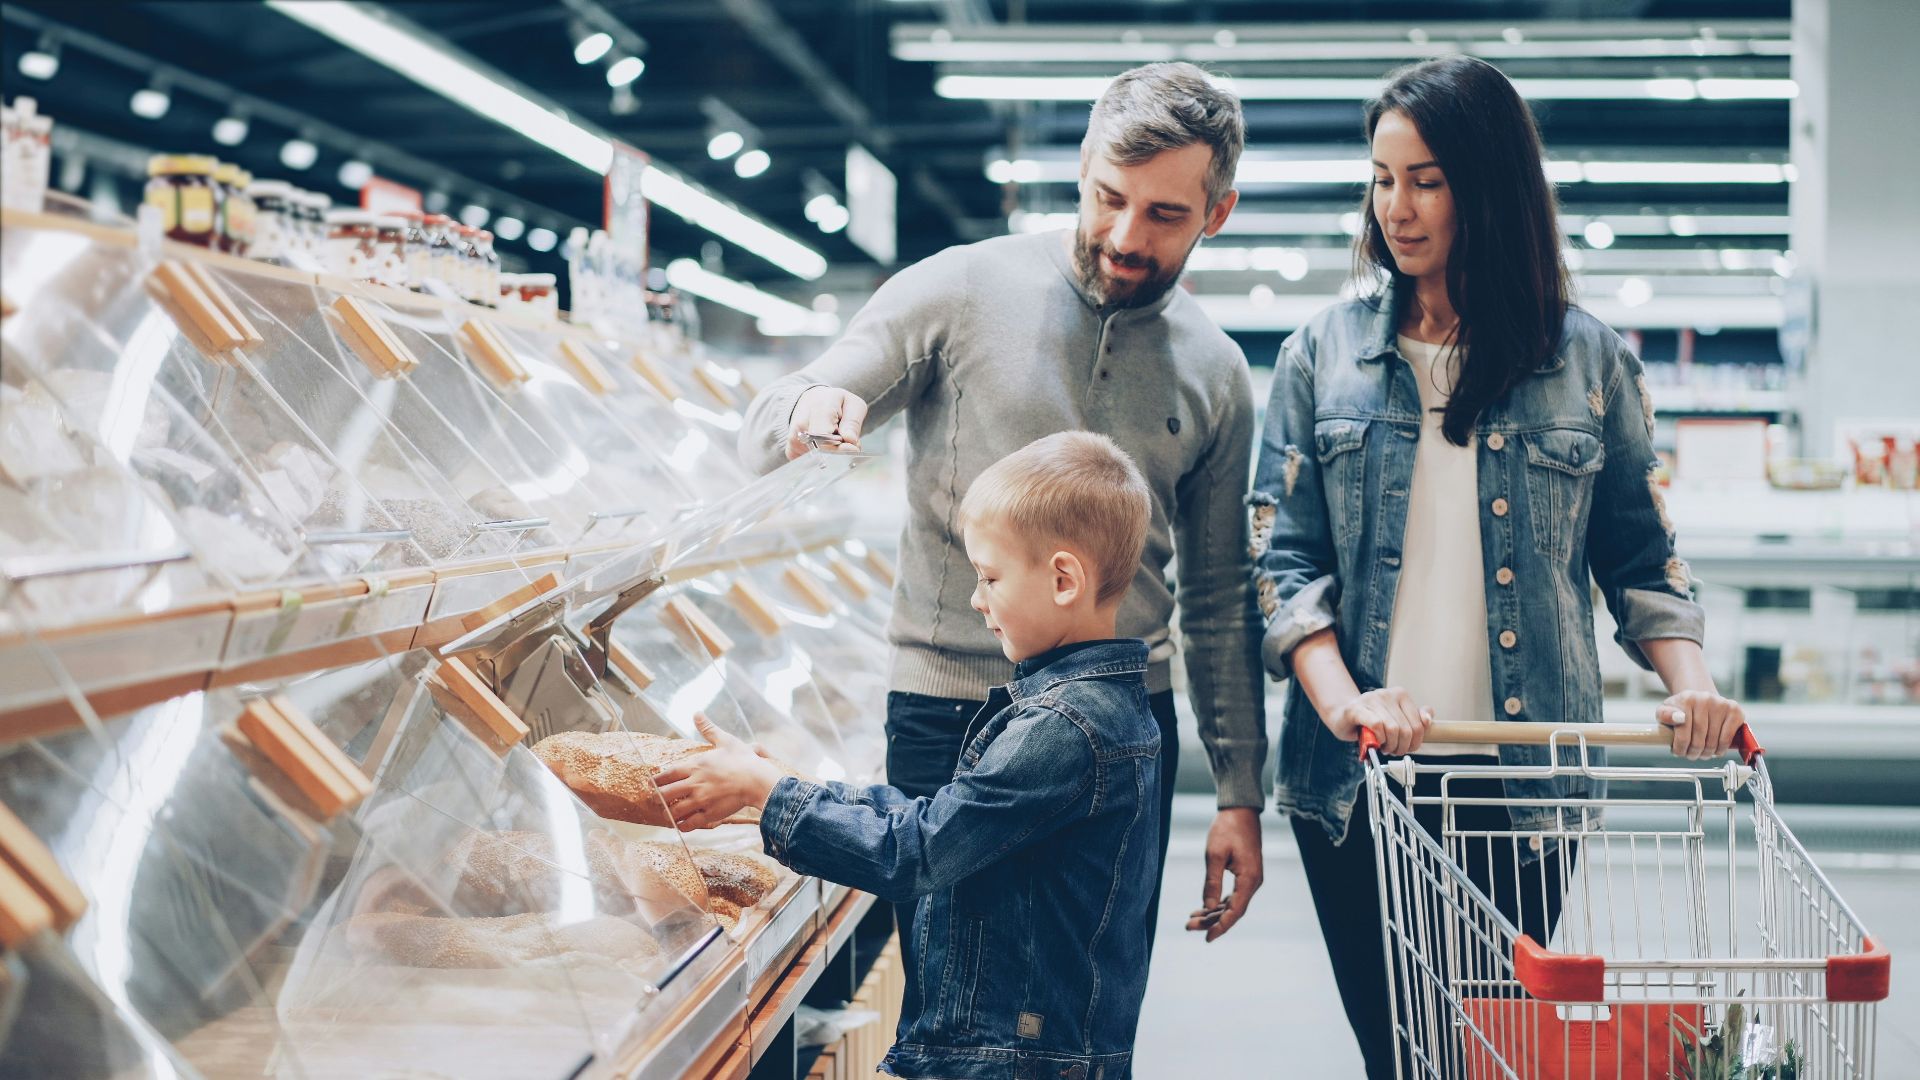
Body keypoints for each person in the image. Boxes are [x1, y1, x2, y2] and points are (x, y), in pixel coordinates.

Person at [1248, 55, 1747, 1079]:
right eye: (1382, 178)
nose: (1398, 207)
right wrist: (1347, 704)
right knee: (1399, 1054)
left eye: (1426, 178)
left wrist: (1694, 691)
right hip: (1358, 782)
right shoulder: (1322, 354)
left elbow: (1640, 556)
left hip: (1519, 784)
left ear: (1491, 183)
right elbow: (1282, 562)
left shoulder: (1586, 361)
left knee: (1483, 1053)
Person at [737, 62, 1268, 951]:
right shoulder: (958, 290)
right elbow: (768, 422)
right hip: (950, 714)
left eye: (1166, 214)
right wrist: (805, 411)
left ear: (1218, 212)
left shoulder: (1216, 371)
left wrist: (1240, 792)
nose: (1126, 234)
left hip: (1124, 727)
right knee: (954, 1009)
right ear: (1085, 170)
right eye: (1108, 197)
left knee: (1091, 1005)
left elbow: (1218, 601)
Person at [660, 432, 1163, 1080]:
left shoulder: (1063, 728)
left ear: (1063, 578)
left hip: (1012, 1060)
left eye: (990, 576)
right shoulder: (1098, 707)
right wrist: (783, 783)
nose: (978, 599)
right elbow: (946, 817)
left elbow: (918, 851)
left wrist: (770, 794)